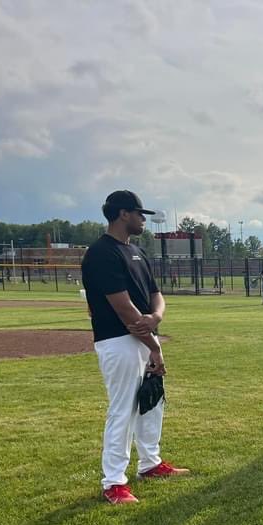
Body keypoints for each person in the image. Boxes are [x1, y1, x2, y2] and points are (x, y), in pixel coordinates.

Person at [81, 190, 189, 504]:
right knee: (124, 409)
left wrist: (156, 317)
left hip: (144, 338)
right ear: (123, 214)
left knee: (152, 403)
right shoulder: (102, 253)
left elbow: (156, 295)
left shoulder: (136, 251)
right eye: (140, 213)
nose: (143, 219)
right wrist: (154, 346)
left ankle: (150, 463)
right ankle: (114, 482)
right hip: (118, 340)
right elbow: (124, 309)